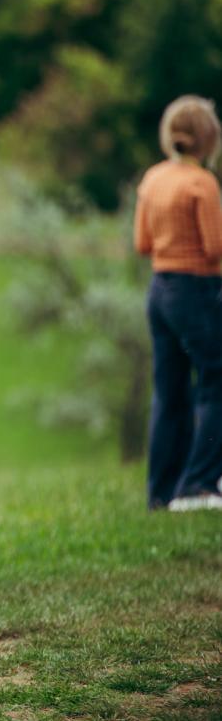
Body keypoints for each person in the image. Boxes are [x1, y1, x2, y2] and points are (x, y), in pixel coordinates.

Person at [135, 95, 222, 511]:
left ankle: (162, 490)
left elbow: (142, 243)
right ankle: (200, 483)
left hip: (159, 291)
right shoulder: (201, 184)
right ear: (209, 139)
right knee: (216, 381)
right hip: (196, 291)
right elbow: (214, 248)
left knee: (169, 391)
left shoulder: (153, 179)